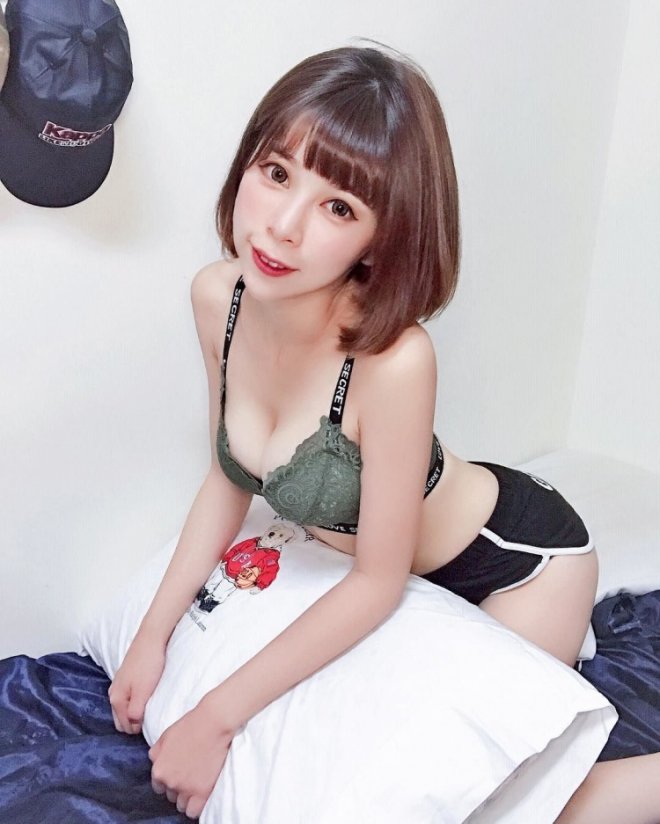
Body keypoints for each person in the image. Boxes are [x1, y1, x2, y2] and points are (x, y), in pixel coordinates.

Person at [108, 41, 660, 823]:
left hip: (514, 567)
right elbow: (229, 477)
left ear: (382, 235)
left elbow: (376, 581)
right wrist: (151, 638)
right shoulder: (215, 300)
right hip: (400, 561)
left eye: (339, 207)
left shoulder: (393, 358)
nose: (284, 227)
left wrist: (214, 718)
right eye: (276, 173)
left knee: (494, 811)